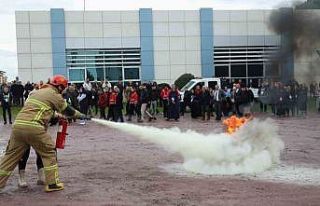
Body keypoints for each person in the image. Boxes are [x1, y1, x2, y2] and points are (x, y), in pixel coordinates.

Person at [0, 75, 84, 192]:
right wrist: (81, 115)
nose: (64, 90)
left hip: (18, 126)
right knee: (49, 151)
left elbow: (39, 109)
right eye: (64, 88)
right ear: (59, 87)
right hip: (33, 127)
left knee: (10, 156)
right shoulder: (54, 95)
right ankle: (52, 184)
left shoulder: (37, 93)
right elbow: (68, 110)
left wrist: (56, 115)